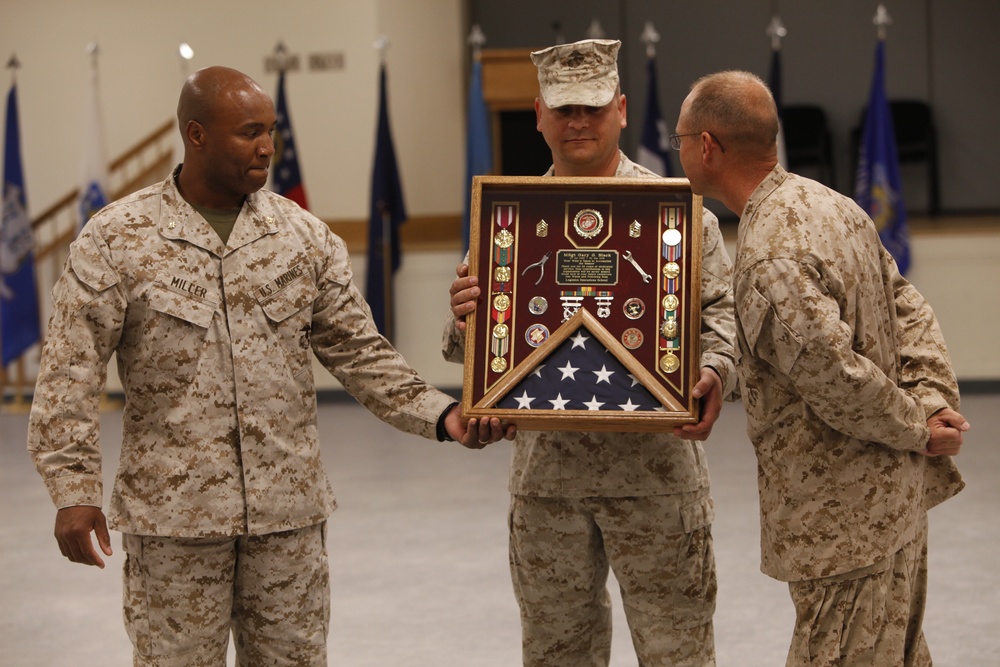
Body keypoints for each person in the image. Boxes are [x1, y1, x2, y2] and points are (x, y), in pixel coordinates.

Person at [27, 65, 507, 666]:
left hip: (288, 520)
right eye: (249, 132)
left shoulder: (302, 238)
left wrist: (444, 416)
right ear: (196, 135)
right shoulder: (118, 238)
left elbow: (361, 353)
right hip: (175, 523)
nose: (266, 147)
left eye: (271, 131)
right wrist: (72, 491)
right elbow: (70, 373)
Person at [443, 39, 736, 666]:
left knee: (677, 651)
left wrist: (715, 370)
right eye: (565, 109)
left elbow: (725, 316)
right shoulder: (506, 221)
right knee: (556, 656)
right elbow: (471, 351)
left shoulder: (679, 216)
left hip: (658, 477)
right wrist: (466, 313)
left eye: (594, 108)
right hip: (548, 483)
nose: (579, 122)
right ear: (540, 115)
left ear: (623, 110)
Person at [674, 70, 970, 666]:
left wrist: (920, 424)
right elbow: (908, 303)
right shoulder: (829, 205)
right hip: (891, 502)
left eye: (680, 138)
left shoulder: (768, 255)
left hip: (843, 524)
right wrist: (931, 396)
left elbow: (836, 378)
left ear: (706, 146)